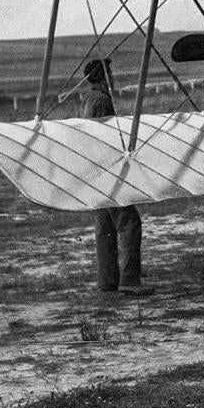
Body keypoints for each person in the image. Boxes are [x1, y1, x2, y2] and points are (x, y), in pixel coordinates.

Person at [80, 58, 153, 295]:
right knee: (129, 222)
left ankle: (107, 281)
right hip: (108, 170)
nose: (112, 76)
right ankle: (130, 280)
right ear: (102, 77)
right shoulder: (101, 100)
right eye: (109, 72)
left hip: (95, 171)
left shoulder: (89, 99)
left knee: (105, 227)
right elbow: (106, 136)